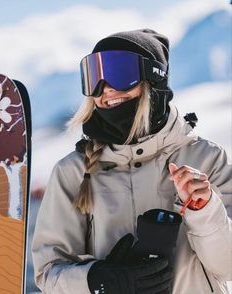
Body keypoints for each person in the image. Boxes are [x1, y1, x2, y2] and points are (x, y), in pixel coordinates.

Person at [32, 28, 232, 294]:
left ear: (154, 79)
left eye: (120, 72)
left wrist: (205, 210)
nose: (105, 89)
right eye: (94, 76)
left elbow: (227, 267)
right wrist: (97, 281)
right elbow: (48, 274)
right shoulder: (73, 172)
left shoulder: (206, 158)